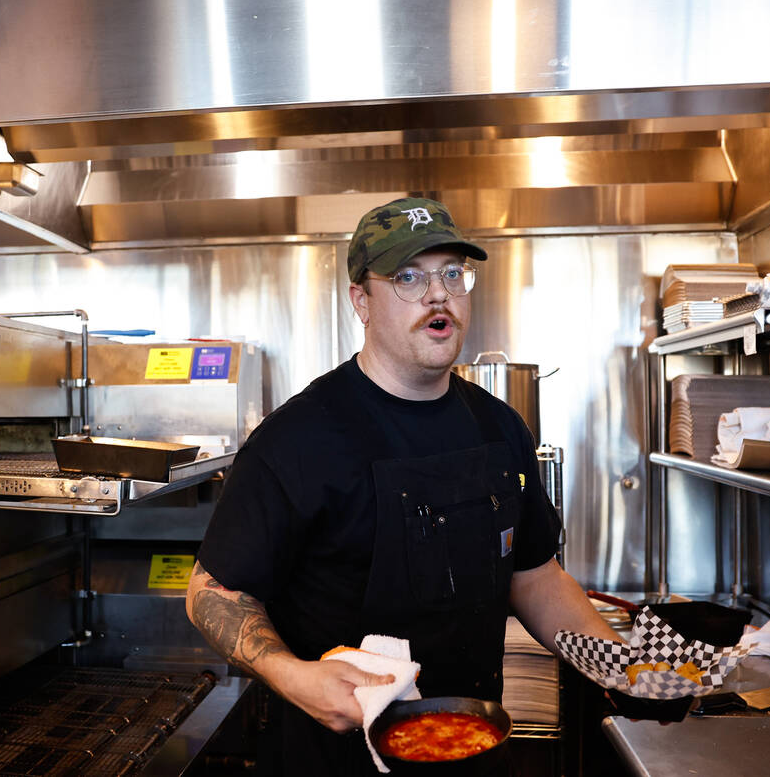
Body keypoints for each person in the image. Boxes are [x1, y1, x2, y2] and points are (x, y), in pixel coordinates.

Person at [186, 197, 621, 775]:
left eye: (452, 274)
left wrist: (624, 670)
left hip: (475, 747)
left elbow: (536, 576)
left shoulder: (499, 427)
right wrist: (293, 675)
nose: (438, 294)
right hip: (338, 760)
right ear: (360, 300)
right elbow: (212, 592)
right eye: (408, 277)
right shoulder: (297, 439)